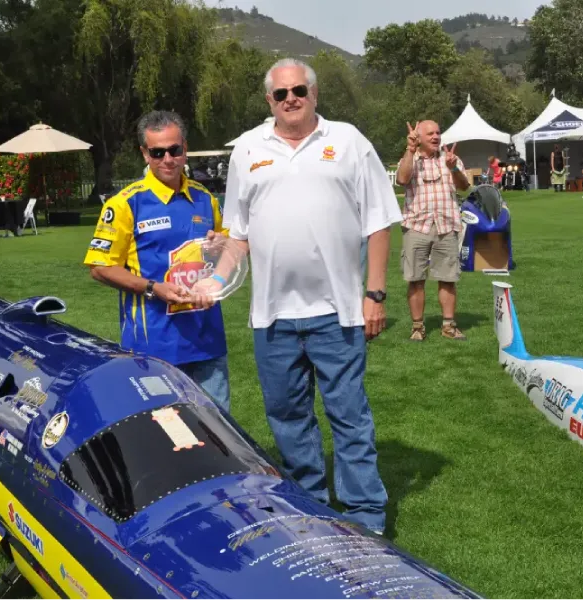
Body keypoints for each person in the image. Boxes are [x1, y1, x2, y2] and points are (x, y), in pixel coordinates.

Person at [196, 57, 401, 535]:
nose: (291, 99)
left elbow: (378, 222)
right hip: (272, 316)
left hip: (339, 311)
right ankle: (309, 510)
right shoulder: (248, 149)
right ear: (269, 100)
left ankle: (364, 516)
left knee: (348, 416)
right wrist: (216, 279)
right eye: (281, 93)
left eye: (299, 91)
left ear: (314, 94)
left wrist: (375, 293)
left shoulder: (348, 141)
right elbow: (238, 235)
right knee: (288, 421)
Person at [82, 110, 231, 412]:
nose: (168, 159)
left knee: (219, 438)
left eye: (174, 150)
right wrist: (153, 288)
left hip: (207, 340)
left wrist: (221, 246)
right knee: (166, 440)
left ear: (184, 149)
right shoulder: (125, 203)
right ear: (144, 154)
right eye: (158, 152)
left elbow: (228, 248)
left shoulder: (206, 198)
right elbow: (99, 267)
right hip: (154, 347)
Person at [395, 120, 470, 342]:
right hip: (417, 225)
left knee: (448, 279)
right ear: (418, 137)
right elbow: (401, 179)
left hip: (446, 225)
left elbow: (464, 186)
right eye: (430, 134)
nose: (436, 137)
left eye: (438, 132)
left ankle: (448, 325)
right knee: (415, 278)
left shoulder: (450, 159)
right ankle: (418, 327)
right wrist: (410, 150)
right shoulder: (411, 159)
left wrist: (453, 167)